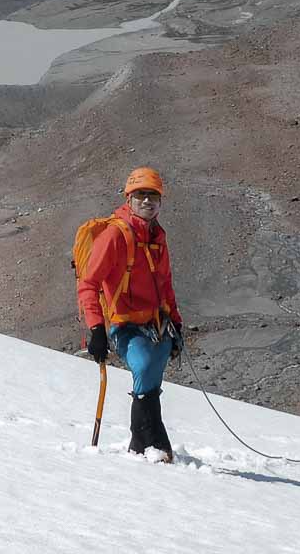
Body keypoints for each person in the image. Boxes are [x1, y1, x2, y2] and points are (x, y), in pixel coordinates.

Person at [77, 166, 184, 462]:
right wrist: (97, 328)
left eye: (153, 196)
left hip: (158, 325)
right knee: (145, 366)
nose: (147, 202)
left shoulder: (157, 237)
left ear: (160, 201)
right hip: (125, 325)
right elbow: (88, 283)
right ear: (129, 198)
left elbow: (165, 284)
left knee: (150, 376)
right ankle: (149, 443)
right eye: (140, 196)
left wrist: (175, 321)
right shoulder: (115, 235)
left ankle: (143, 445)